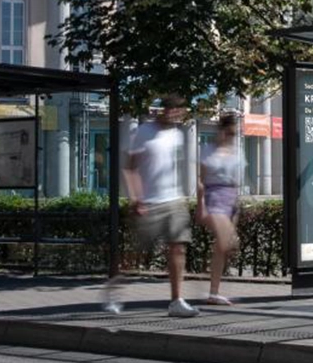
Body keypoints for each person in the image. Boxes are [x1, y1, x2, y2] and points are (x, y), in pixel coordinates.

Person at [104, 95, 198, 318]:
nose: (177, 115)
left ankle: (176, 301)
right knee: (137, 254)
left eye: (181, 112)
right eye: (174, 111)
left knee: (178, 247)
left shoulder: (177, 134)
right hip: (149, 202)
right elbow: (130, 167)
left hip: (174, 200)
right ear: (164, 110)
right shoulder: (144, 132)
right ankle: (113, 291)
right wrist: (136, 198)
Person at [196, 113, 244, 306]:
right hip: (213, 197)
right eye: (228, 132)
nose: (230, 137)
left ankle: (213, 292)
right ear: (221, 131)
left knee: (225, 246)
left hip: (229, 198)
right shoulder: (208, 150)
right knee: (224, 242)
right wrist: (200, 206)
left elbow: (236, 182)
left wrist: (237, 208)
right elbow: (200, 180)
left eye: (233, 134)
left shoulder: (237, 153)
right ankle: (212, 290)